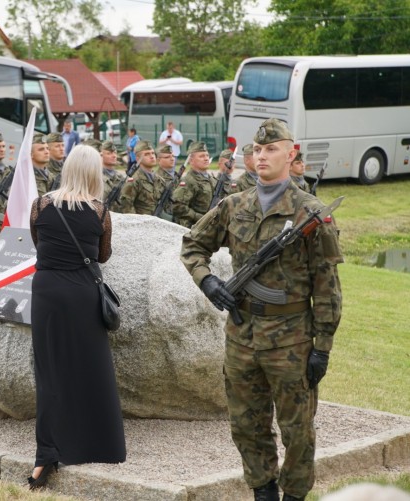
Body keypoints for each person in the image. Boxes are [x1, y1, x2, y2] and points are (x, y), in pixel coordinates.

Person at [180, 118, 343, 501]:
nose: (262, 155)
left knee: (297, 429)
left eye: (271, 149)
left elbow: (328, 286)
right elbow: (192, 246)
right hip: (242, 336)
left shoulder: (312, 214)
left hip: (292, 339)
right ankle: (263, 490)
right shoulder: (234, 205)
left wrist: (322, 347)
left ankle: (294, 495)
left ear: (292, 153)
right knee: (245, 425)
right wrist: (208, 281)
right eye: (257, 150)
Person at [28, 144, 126, 489]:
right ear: (95, 173)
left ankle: (48, 452)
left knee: (50, 371)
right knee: (91, 369)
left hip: (47, 292)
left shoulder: (40, 205)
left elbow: (38, 242)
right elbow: (103, 254)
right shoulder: (100, 212)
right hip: (83, 294)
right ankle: (99, 444)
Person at [172, 141, 215, 228]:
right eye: (201, 156)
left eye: (207, 155)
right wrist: (199, 217)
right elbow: (177, 206)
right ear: (191, 160)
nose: (206, 158)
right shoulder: (189, 181)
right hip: (194, 228)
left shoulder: (212, 179)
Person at [119, 140, 163, 215]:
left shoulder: (160, 180)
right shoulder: (134, 181)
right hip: (142, 223)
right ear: (137, 158)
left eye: (152, 153)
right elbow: (127, 206)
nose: (152, 156)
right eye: (146, 154)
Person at [101, 140, 126, 211]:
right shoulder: (95, 176)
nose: (114, 156)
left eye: (115, 153)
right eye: (109, 153)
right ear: (101, 155)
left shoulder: (121, 177)